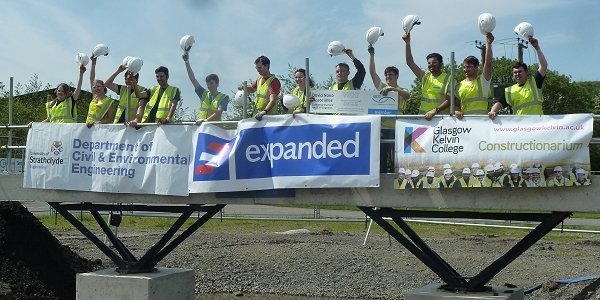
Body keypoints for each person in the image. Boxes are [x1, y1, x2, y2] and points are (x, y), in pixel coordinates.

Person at [368, 45, 411, 173]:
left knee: (395, 158)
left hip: (397, 128)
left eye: (391, 75)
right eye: (386, 75)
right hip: (382, 128)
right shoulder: (382, 87)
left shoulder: (403, 89)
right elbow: (372, 73)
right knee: (381, 157)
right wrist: (371, 55)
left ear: (397, 76)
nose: (388, 77)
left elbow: (407, 96)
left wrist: (392, 90)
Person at [403, 32, 459, 121]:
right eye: (429, 63)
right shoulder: (425, 76)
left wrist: (435, 111)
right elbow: (410, 62)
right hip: (423, 118)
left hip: (441, 119)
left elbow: (450, 100)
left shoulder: (449, 78)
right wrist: (407, 43)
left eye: (434, 63)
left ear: (441, 64)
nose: (431, 65)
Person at [488, 37, 548, 119]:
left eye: (520, 71)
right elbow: (499, 103)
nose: (517, 74)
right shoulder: (509, 91)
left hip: (537, 126)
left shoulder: (535, 83)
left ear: (526, 72)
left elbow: (544, 65)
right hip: (520, 127)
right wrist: (493, 111)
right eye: (515, 72)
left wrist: (537, 48)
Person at [455, 33, 494, 118]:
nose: (465, 70)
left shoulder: (483, 81)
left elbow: (488, 64)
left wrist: (489, 45)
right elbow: (455, 103)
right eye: (464, 67)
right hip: (466, 124)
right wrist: (457, 110)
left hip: (482, 121)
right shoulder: (459, 85)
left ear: (477, 67)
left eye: (469, 67)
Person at [183, 53, 229, 122]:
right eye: (207, 84)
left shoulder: (224, 97)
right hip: (203, 127)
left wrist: (206, 121)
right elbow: (192, 79)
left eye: (211, 83)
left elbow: (219, 111)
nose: (209, 86)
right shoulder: (203, 94)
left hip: (215, 129)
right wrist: (186, 62)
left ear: (217, 84)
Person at [244, 56, 281, 120]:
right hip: (257, 116)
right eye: (256, 68)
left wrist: (264, 112)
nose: (258, 70)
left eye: (259, 67)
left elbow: (273, 100)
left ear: (266, 66)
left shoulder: (273, 81)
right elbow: (252, 89)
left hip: (269, 117)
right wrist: (244, 87)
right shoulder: (259, 79)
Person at [85, 55, 115, 128]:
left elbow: (110, 119)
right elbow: (91, 78)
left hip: (99, 129)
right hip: (87, 128)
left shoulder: (108, 101)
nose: (96, 89)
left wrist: (97, 123)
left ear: (103, 87)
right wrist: (93, 64)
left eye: (98, 86)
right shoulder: (94, 98)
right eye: (94, 87)